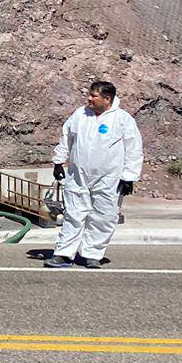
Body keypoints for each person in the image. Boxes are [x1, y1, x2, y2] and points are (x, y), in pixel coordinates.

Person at [44, 80, 143, 269]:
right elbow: (67, 137)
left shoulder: (122, 119)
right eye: (89, 95)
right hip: (78, 176)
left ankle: (92, 254)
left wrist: (129, 176)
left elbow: (134, 149)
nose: (89, 99)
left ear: (107, 99)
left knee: (103, 216)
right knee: (73, 215)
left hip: (109, 179)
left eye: (93, 95)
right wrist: (58, 161)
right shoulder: (80, 115)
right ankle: (64, 254)